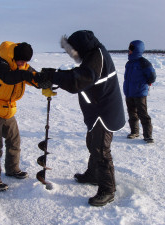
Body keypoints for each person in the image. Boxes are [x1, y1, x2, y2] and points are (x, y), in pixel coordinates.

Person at [35, 30, 125, 206]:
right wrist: (57, 77)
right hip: (96, 110)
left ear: (81, 48)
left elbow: (79, 80)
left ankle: (108, 189)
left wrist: (53, 75)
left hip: (104, 113)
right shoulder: (93, 54)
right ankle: (93, 174)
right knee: (92, 143)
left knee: (100, 149)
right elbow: (81, 74)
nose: (72, 55)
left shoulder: (96, 57)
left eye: (73, 51)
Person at [0, 41, 50, 191]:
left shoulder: (22, 66)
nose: (23, 64)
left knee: (14, 142)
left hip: (9, 109)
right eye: (21, 60)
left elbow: (33, 76)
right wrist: (27, 75)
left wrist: (44, 81)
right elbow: (7, 77)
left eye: (26, 62)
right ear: (13, 57)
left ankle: (12, 169)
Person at [123, 40, 156, 143]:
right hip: (129, 93)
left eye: (132, 48)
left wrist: (145, 84)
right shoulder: (128, 63)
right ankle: (134, 132)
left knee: (143, 114)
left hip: (140, 93)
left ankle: (148, 136)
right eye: (129, 48)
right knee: (132, 113)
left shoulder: (144, 63)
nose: (129, 50)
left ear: (138, 49)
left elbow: (152, 76)